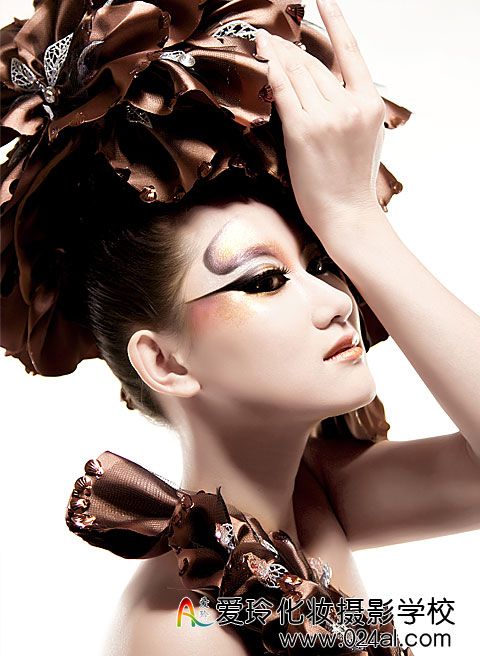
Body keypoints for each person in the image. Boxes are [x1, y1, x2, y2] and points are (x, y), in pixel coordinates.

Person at [1, 0, 479, 654]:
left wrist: (355, 222)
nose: (337, 301)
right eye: (263, 280)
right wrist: (350, 217)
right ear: (166, 363)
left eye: (320, 263)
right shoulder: (184, 630)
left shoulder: (311, 498)